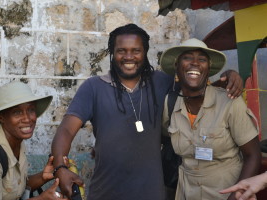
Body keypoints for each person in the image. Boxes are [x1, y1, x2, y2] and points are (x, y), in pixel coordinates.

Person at [51, 24, 243, 200]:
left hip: (152, 193)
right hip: (105, 192)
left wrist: (230, 77)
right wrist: (60, 167)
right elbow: (67, 130)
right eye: (121, 51)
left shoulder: (163, 82)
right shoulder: (93, 87)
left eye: (136, 51)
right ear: (112, 53)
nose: (129, 57)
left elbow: (199, 92)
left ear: (145, 53)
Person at [160, 38, 261, 200]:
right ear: (176, 67)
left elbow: (253, 155)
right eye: (187, 58)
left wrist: (237, 194)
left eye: (201, 59)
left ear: (208, 70)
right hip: (186, 192)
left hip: (228, 192)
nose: (195, 63)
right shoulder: (170, 104)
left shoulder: (229, 102)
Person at [0, 81, 67, 200]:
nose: (27, 118)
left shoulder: (17, 142)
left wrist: (42, 177)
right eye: (17, 112)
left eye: (31, 110)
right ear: (2, 117)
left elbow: (13, 191)